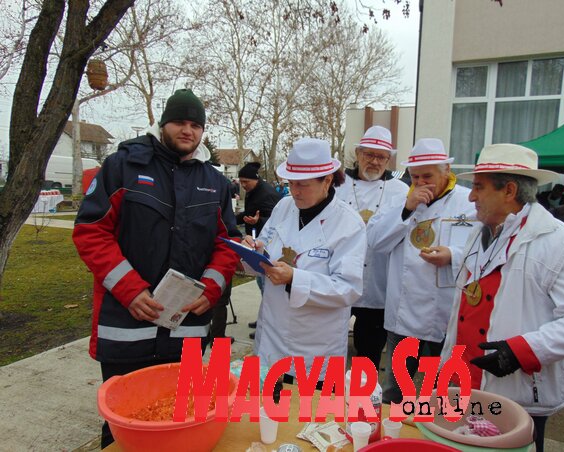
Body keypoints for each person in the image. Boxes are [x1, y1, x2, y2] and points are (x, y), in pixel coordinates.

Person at [72, 89, 241, 448]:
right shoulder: (123, 166)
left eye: (196, 125)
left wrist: (210, 290)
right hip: (126, 328)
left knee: (182, 419)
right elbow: (90, 232)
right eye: (180, 122)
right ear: (163, 123)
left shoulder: (215, 182)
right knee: (123, 426)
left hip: (186, 331)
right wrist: (130, 289)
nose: (188, 130)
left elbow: (227, 246)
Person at [441, 144, 564, 452]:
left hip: (517, 391)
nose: (471, 196)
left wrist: (521, 351)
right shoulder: (482, 231)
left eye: (478, 187)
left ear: (509, 190)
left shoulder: (560, 242)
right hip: (465, 383)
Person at [241, 137, 366, 384]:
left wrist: (294, 279)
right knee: (269, 410)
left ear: (327, 180)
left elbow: (348, 289)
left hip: (315, 346)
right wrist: (253, 248)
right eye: (290, 183)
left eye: (303, 185)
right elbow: (265, 242)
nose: (294, 191)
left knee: (310, 418)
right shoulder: (284, 206)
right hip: (273, 335)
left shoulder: (349, 224)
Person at [367, 138, 476, 404]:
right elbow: (375, 242)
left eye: (428, 176)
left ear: (446, 172)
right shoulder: (401, 201)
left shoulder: (468, 202)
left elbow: (484, 250)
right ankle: (393, 428)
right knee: (396, 388)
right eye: (415, 177)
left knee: (442, 390)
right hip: (405, 315)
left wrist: (454, 255)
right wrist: (406, 210)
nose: (421, 182)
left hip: (446, 312)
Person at [336, 125, 409, 371]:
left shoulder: (400, 190)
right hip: (339, 279)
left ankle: (362, 401)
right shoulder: (338, 184)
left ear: (388, 160)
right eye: (369, 154)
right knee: (329, 349)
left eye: (381, 157)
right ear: (358, 154)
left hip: (379, 284)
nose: (375, 161)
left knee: (368, 356)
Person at [235, 161, 281, 338]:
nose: (243, 185)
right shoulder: (253, 191)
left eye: (246, 181)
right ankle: (263, 318)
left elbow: (275, 222)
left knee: (266, 288)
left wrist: (258, 222)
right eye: (241, 181)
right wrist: (231, 220)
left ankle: (267, 326)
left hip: (268, 247)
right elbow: (248, 213)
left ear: (255, 179)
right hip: (254, 243)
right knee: (260, 285)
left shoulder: (267, 194)